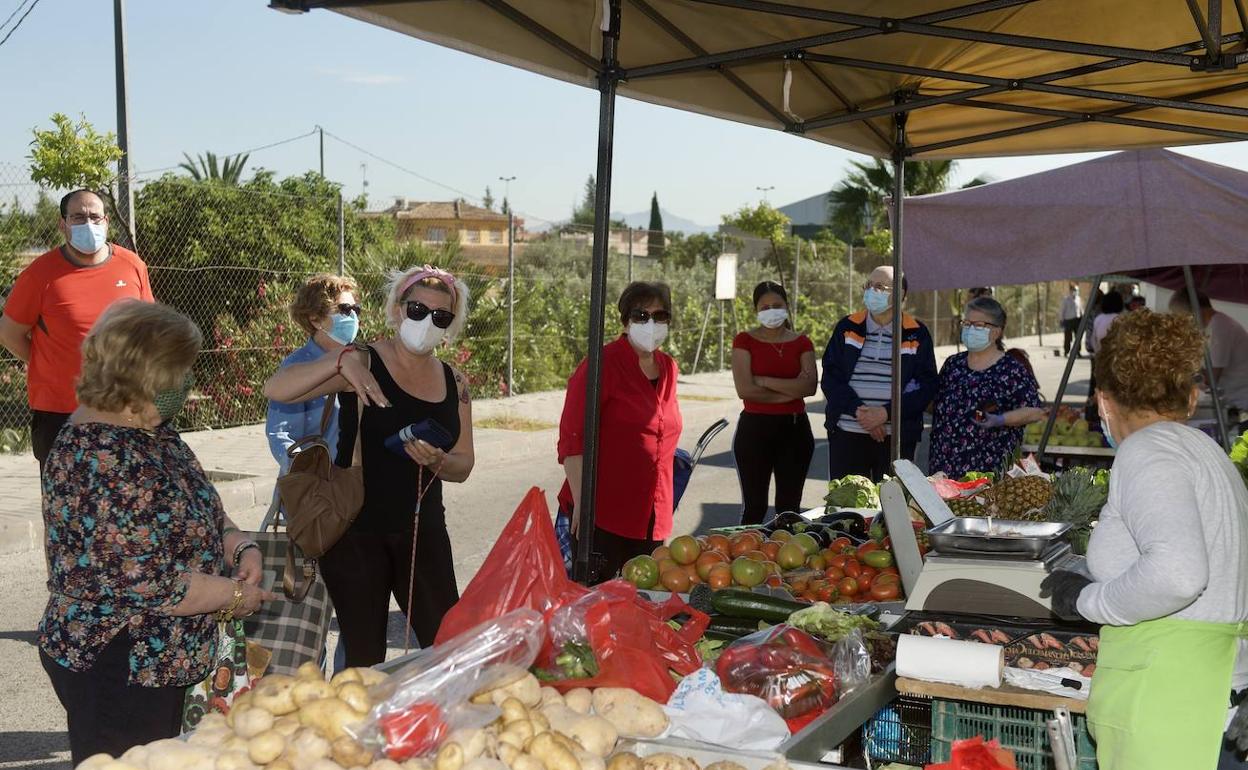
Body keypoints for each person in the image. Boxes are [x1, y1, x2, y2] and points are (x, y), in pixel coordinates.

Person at [38, 300, 276, 763]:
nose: (187, 384)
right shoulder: (97, 456)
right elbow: (151, 582)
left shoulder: (148, 427)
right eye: (180, 372)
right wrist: (233, 597)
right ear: (143, 376)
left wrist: (238, 543)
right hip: (119, 662)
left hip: (159, 659)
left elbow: (202, 507)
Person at [1040, 310, 1248, 770]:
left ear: (1102, 400)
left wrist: (1087, 601)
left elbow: (1179, 575)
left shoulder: (1146, 451)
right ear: (1191, 399)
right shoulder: (1207, 453)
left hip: (1171, 705)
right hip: (1212, 698)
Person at [263, 265, 474, 664]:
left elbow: (464, 465)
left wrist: (439, 461)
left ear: (449, 325)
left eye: (440, 316)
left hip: (422, 531)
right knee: (364, 657)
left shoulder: (455, 382)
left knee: (449, 647)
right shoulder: (363, 361)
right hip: (355, 531)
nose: (426, 322)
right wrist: (341, 362)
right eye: (417, 310)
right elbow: (277, 389)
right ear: (396, 310)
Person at [0, 189, 154, 472]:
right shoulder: (39, 275)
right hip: (61, 415)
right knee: (66, 511)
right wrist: (50, 363)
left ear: (106, 221)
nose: (88, 224)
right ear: (63, 224)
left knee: (121, 506)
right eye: (78, 217)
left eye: (95, 217)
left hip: (122, 409)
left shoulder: (132, 266)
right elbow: (9, 333)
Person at [557, 282, 682, 581]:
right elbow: (572, 441)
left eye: (659, 316)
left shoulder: (669, 368)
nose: (650, 323)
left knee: (642, 603)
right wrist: (583, 507)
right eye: (641, 315)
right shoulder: (600, 365)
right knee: (596, 607)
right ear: (625, 321)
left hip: (651, 517)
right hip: (602, 517)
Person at [821, 266, 938, 481]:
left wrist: (885, 413)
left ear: (900, 294)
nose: (871, 291)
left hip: (897, 438)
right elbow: (831, 377)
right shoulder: (847, 327)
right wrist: (860, 411)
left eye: (879, 287)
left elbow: (926, 385)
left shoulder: (916, 332)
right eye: (868, 285)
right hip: (848, 433)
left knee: (892, 507)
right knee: (845, 507)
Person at [928, 297, 1047, 478]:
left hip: (988, 469)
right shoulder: (954, 364)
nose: (969, 329)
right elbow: (936, 403)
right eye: (966, 323)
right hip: (943, 466)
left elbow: (1034, 411)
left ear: (996, 332)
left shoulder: (1011, 369)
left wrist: (1000, 419)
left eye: (978, 325)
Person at [731, 281, 817, 525]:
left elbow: (809, 387)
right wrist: (790, 390)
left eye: (777, 305)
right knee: (754, 507)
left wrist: (764, 380)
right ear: (756, 310)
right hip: (754, 430)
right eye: (765, 306)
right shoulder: (744, 341)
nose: (771, 310)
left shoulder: (802, 343)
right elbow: (745, 389)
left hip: (795, 430)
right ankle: (747, 557)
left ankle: (787, 558)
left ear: (787, 307)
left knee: (789, 510)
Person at [266, 274, 361, 475]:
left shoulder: (364, 359)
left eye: (355, 310)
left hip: (357, 488)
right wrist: (307, 471)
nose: (353, 317)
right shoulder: (297, 367)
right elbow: (281, 434)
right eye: (344, 310)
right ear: (315, 319)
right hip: (319, 492)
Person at [1169, 289, 1248, 412]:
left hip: (1240, 404)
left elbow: (1210, 379)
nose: (1183, 323)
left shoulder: (1220, 327)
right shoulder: (1215, 325)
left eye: (1181, 316)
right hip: (1233, 402)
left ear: (1192, 312)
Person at [1060, 284, 1083, 357]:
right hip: (1068, 320)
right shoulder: (1066, 300)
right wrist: (1061, 320)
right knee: (1068, 337)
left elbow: (1081, 309)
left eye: (1076, 290)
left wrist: (1082, 317)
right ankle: (1066, 351)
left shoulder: (1078, 299)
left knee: (1078, 337)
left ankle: (1078, 351)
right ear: (1070, 291)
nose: (1075, 292)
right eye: (1074, 290)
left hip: (1077, 320)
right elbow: (1062, 311)